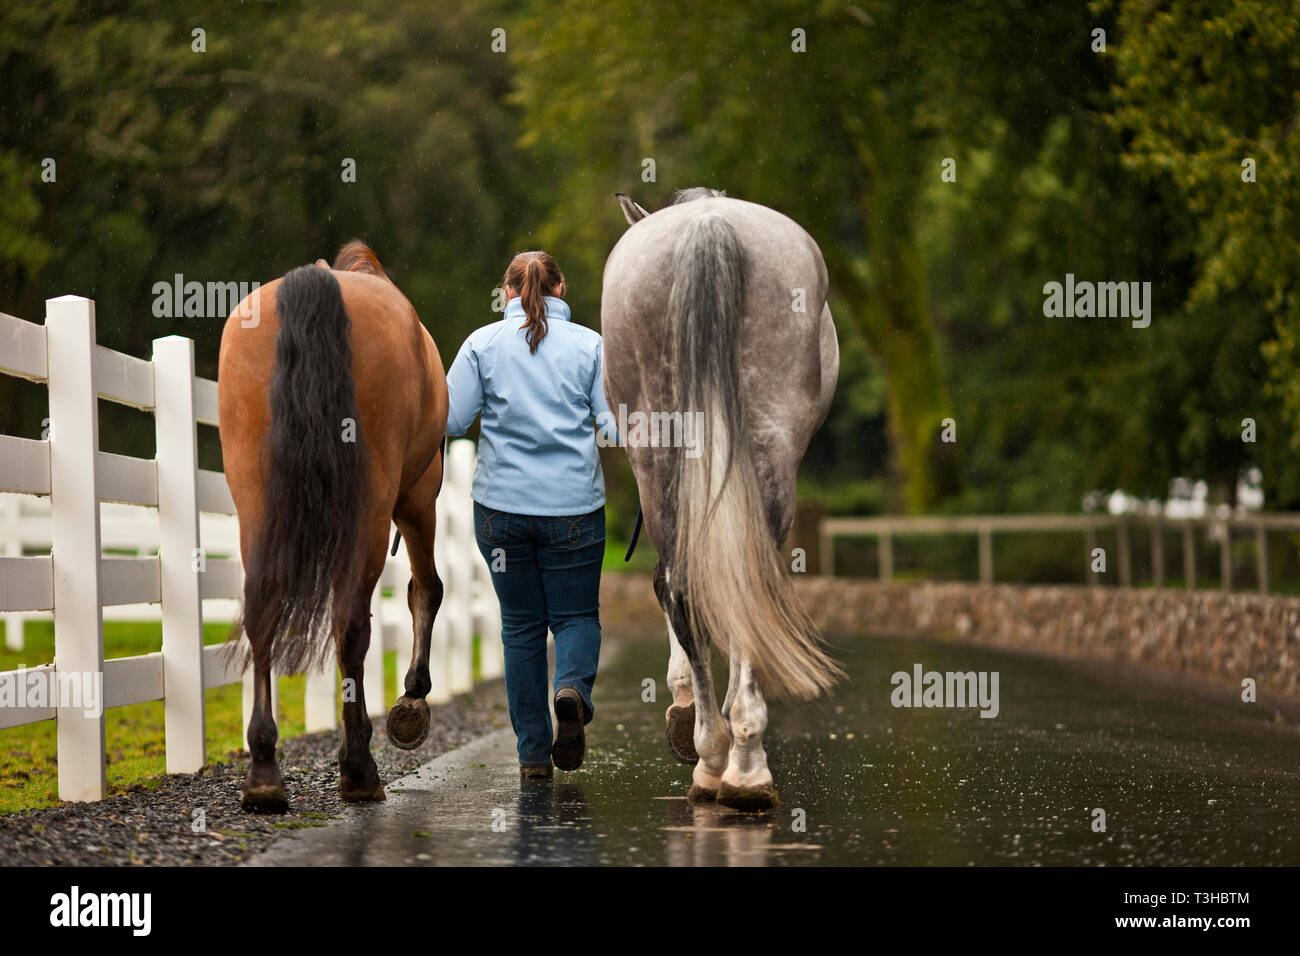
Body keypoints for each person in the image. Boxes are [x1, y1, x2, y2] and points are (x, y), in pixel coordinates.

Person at [445, 250, 617, 780]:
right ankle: (570, 687)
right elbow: (612, 428)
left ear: (508, 293)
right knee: (576, 618)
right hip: (574, 510)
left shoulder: (481, 344)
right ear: (560, 289)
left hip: (500, 512)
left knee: (520, 628)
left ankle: (532, 757)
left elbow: (451, 421)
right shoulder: (591, 345)